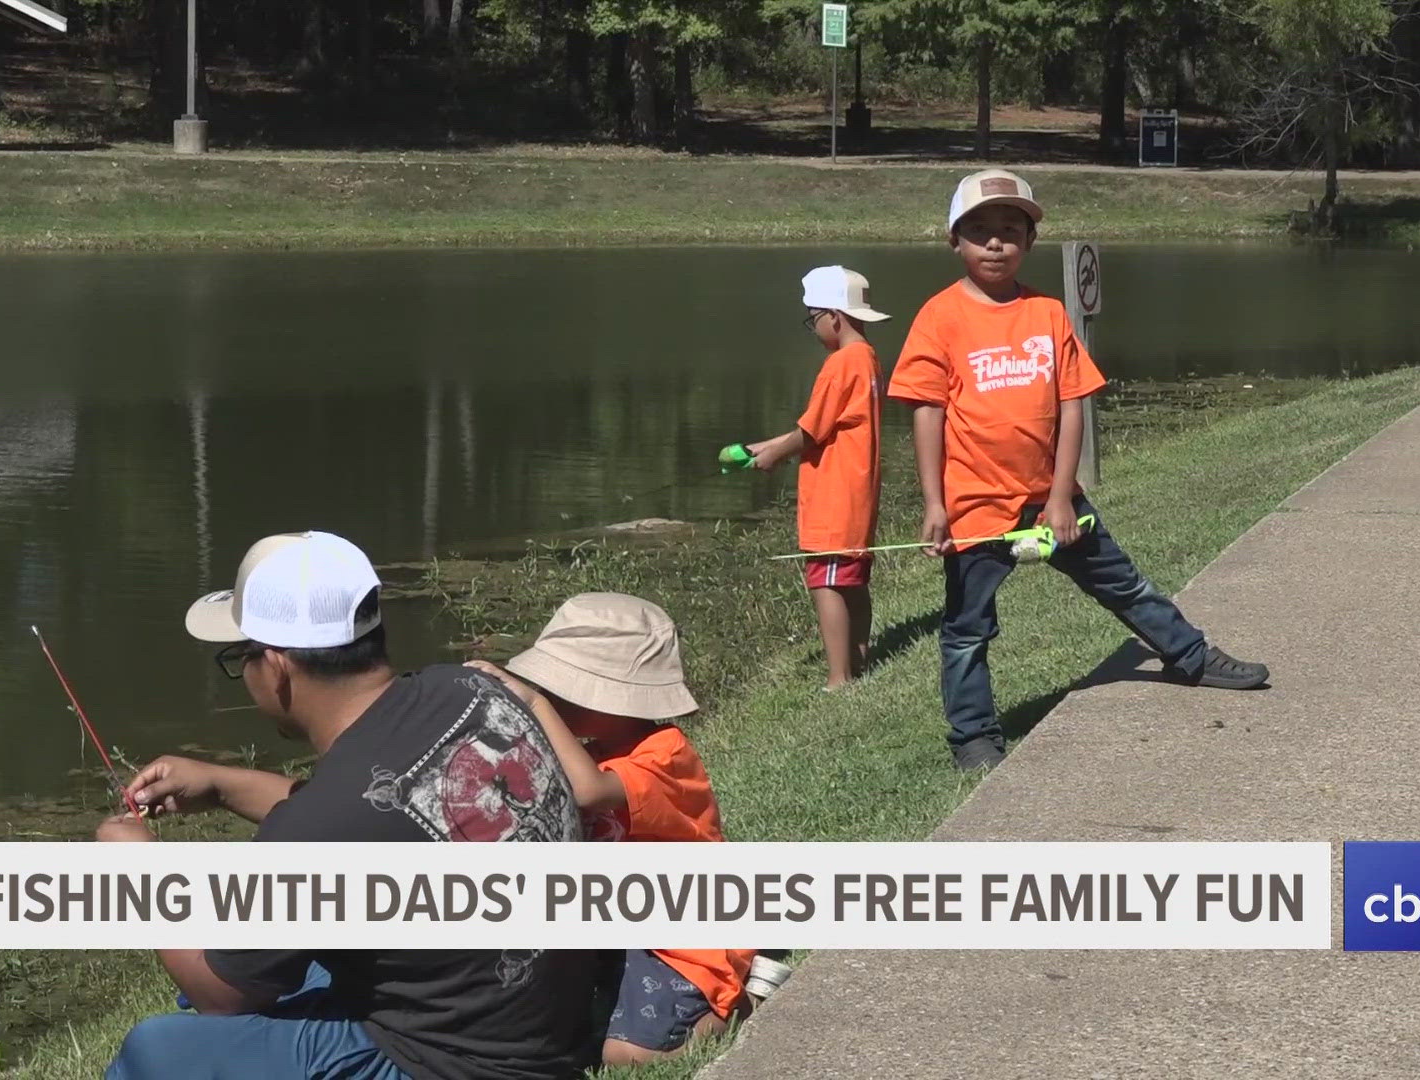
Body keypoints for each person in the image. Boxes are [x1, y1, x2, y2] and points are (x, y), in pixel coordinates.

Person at [94, 530, 597, 1080]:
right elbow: (371, 818)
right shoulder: (471, 690)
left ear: (277, 665)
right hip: (542, 1024)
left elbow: (219, 994)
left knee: (158, 1049)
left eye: (241, 659)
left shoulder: (324, 823)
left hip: (457, 1064)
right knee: (266, 954)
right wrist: (220, 784)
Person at [885, 170, 1272, 773]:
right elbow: (927, 416)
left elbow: (1071, 406)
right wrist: (935, 504)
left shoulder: (1047, 313)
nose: (996, 243)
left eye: (1011, 230)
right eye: (980, 231)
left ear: (1030, 242)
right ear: (954, 241)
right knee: (967, 630)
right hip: (975, 507)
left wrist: (1061, 496)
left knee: (1126, 585)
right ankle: (973, 737)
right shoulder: (939, 319)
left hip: (1054, 499)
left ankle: (1192, 657)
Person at [465, 592, 758, 1067]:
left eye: (564, 690)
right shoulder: (590, 748)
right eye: (549, 688)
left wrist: (534, 702)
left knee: (623, 1053)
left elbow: (589, 793)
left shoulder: (665, 753)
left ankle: (734, 1006)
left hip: (684, 937)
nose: (555, 699)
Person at [745, 265, 889, 688]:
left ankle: (837, 677)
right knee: (853, 579)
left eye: (813, 319)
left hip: (834, 496)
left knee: (825, 582)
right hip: (857, 493)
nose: (813, 328)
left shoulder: (840, 363)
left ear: (834, 316)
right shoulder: (868, 358)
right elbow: (827, 424)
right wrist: (771, 444)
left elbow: (810, 432)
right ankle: (859, 661)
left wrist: (775, 455)